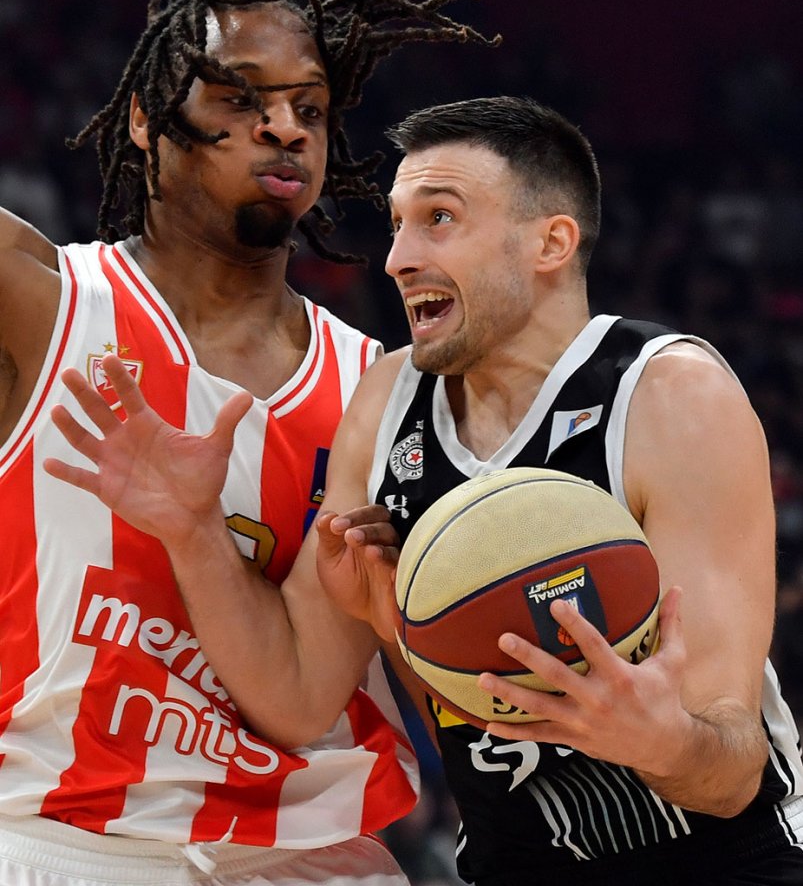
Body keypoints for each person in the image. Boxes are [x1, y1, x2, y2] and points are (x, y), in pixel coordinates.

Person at [48, 96, 803, 886]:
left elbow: (730, 775)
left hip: (724, 863)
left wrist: (660, 741)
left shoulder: (670, 397)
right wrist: (194, 531)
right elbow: (297, 700)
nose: (396, 258)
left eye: (438, 219)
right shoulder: (384, 403)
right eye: (397, 224)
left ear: (550, 243)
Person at [0, 0, 499, 886]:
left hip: (319, 856)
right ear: (144, 120)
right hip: (62, 839)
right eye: (239, 99)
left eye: (308, 108)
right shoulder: (38, 301)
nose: (283, 129)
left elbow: (378, 692)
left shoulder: (382, 390)